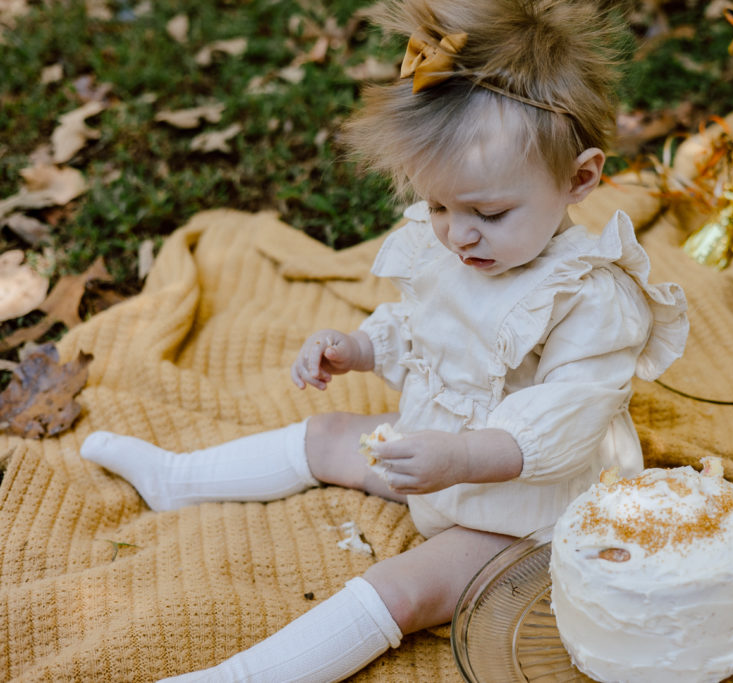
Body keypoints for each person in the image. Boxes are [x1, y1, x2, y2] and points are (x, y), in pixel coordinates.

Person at [80, 0, 688, 680]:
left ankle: (243, 676)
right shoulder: (460, 251)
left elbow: (565, 422)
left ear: (580, 178)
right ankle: (179, 478)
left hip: (532, 513)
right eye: (437, 206)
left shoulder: (589, 298)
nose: (458, 234)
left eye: (488, 212)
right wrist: (359, 347)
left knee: (407, 586)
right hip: (442, 449)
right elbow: (423, 325)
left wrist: (457, 456)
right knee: (331, 431)